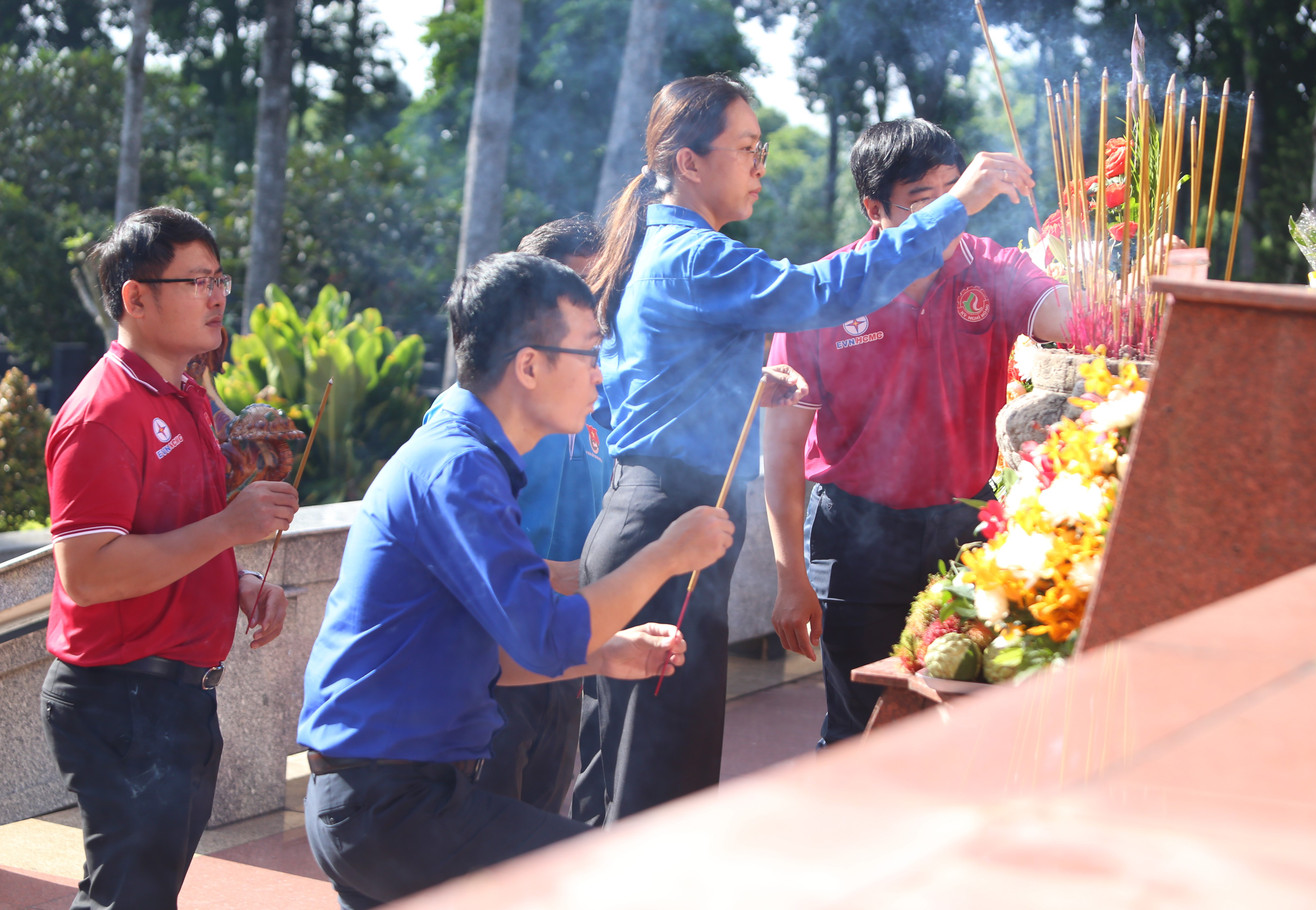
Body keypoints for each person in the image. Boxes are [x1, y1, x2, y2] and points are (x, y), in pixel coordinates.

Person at [572, 74, 1034, 826]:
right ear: (690, 162)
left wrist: (736, 390)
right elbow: (828, 291)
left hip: (654, 511)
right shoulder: (695, 256)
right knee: (656, 786)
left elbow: (649, 386)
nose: (761, 165)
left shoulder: (659, 241)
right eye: (747, 148)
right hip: (668, 523)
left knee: (624, 769)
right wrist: (958, 207)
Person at [298, 253, 734, 909]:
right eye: (589, 353)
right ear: (528, 366)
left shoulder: (465, 455)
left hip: (384, 803)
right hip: (391, 808)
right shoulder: (458, 467)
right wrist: (667, 554)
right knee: (608, 880)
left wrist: (608, 656)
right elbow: (545, 638)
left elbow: (499, 651)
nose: (601, 373)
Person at [763, 119, 1071, 746]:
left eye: (956, 191)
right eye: (925, 202)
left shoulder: (992, 268)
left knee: (959, 723)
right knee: (862, 729)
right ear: (874, 209)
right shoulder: (828, 292)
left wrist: (1097, 265)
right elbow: (781, 450)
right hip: (853, 538)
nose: (951, 214)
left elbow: (1064, 316)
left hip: (963, 535)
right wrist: (790, 577)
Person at [40, 206, 299, 909]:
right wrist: (226, 530)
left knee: (134, 896)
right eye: (196, 280)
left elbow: (166, 531)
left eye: (220, 278)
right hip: (122, 698)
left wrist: (238, 580)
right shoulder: (104, 412)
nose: (217, 295)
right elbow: (88, 575)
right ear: (136, 297)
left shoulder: (183, 393)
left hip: (170, 698)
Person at [420, 215, 610, 815]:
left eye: (598, 295)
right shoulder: (466, 439)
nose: (592, 313)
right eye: (575, 298)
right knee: (488, 837)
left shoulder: (590, 404)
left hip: (561, 656)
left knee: (543, 828)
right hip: (497, 663)